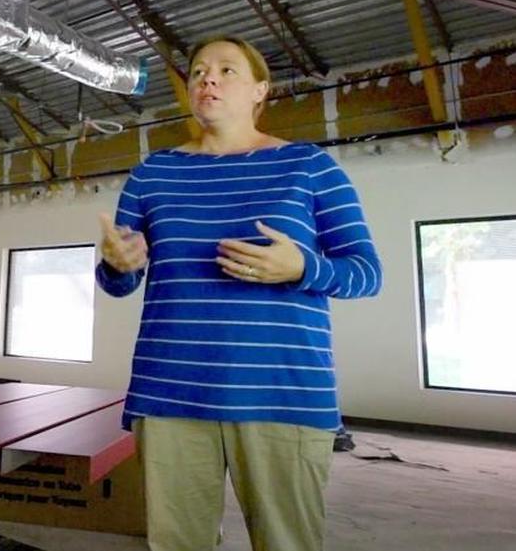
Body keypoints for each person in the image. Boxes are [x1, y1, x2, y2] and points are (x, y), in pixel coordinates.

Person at [96, 35, 382, 551]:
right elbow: (121, 281)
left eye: (227, 70)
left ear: (259, 90)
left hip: (283, 392)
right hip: (170, 392)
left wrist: (302, 265)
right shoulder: (152, 173)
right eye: (199, 70)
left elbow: (366, 272)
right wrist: (117, 265)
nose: (208, 78)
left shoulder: (310, 167)